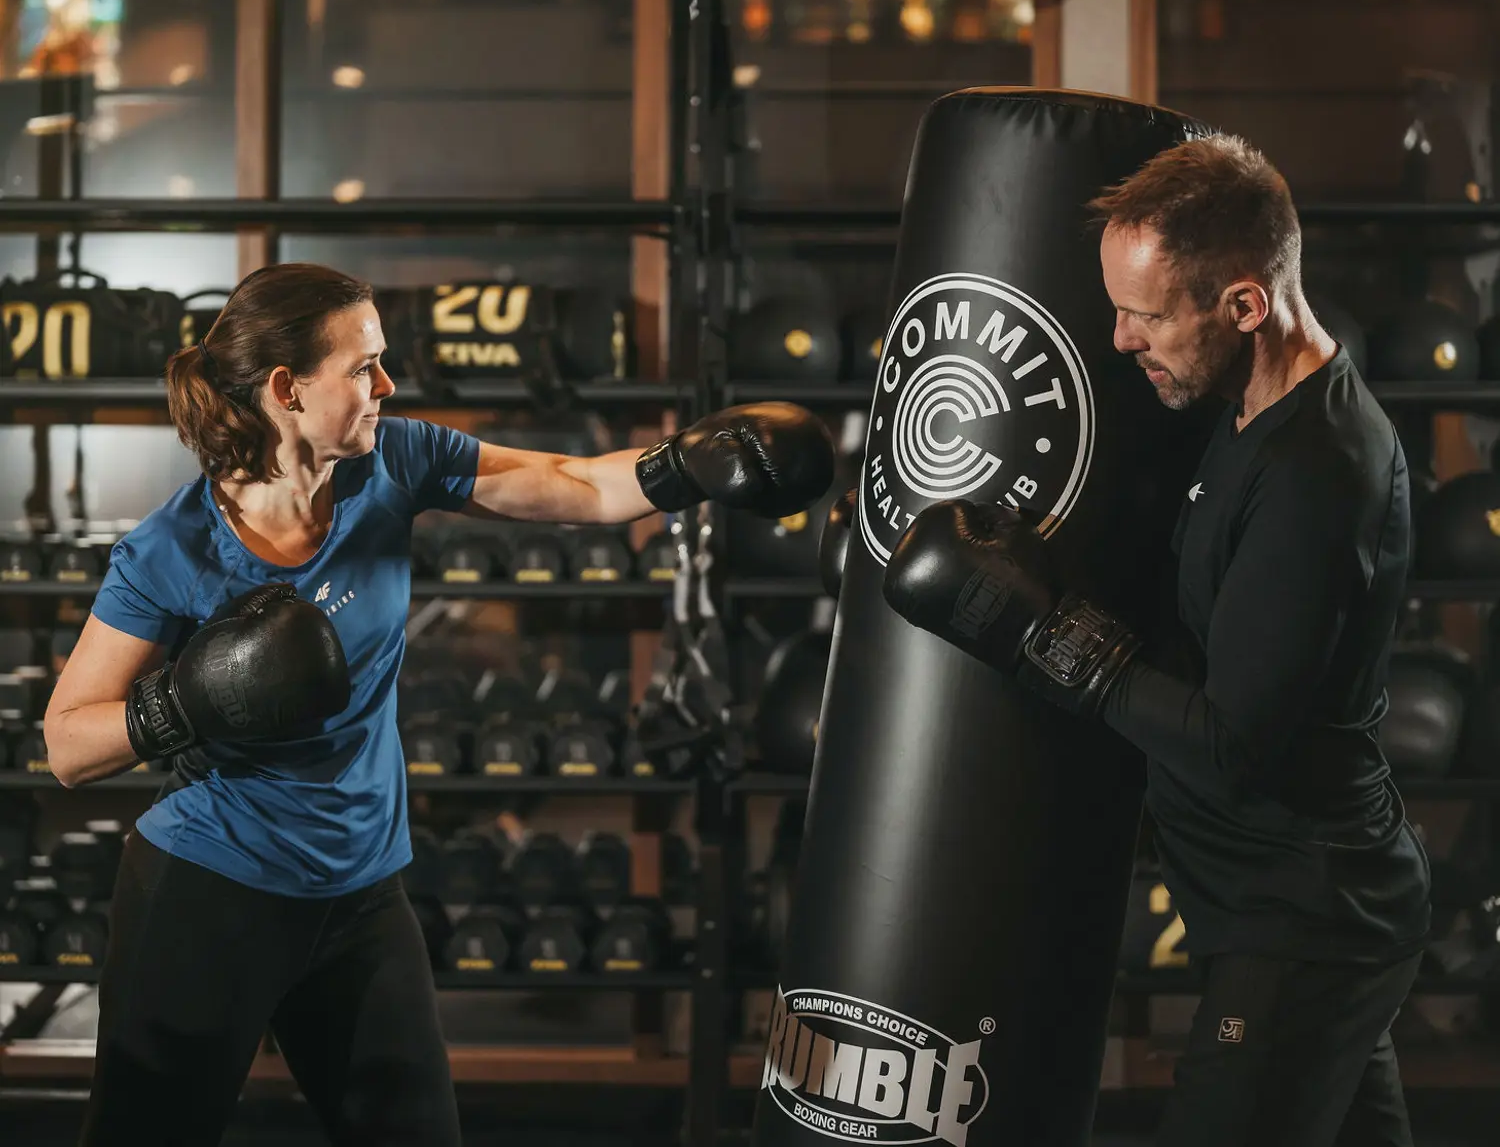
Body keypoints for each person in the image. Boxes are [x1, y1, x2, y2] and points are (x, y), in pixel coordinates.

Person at [43, 262, 835, 1147]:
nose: (387, 385)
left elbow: (573, 482)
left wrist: (684, 466)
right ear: (285, 389)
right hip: (208, 892)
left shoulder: (396, 462)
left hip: (360, 897)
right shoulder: (172, 549)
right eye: (362, 368)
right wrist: (191, 699)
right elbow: (68, 745)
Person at [882, 134, 1432, 1147]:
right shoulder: (1243, 409)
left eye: (1147, 312)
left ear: (1243, 303)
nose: (1124, 338)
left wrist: (1033, 630)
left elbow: (1232, 739)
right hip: (1286, 907)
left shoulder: (1320, 471)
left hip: (1302, 918)